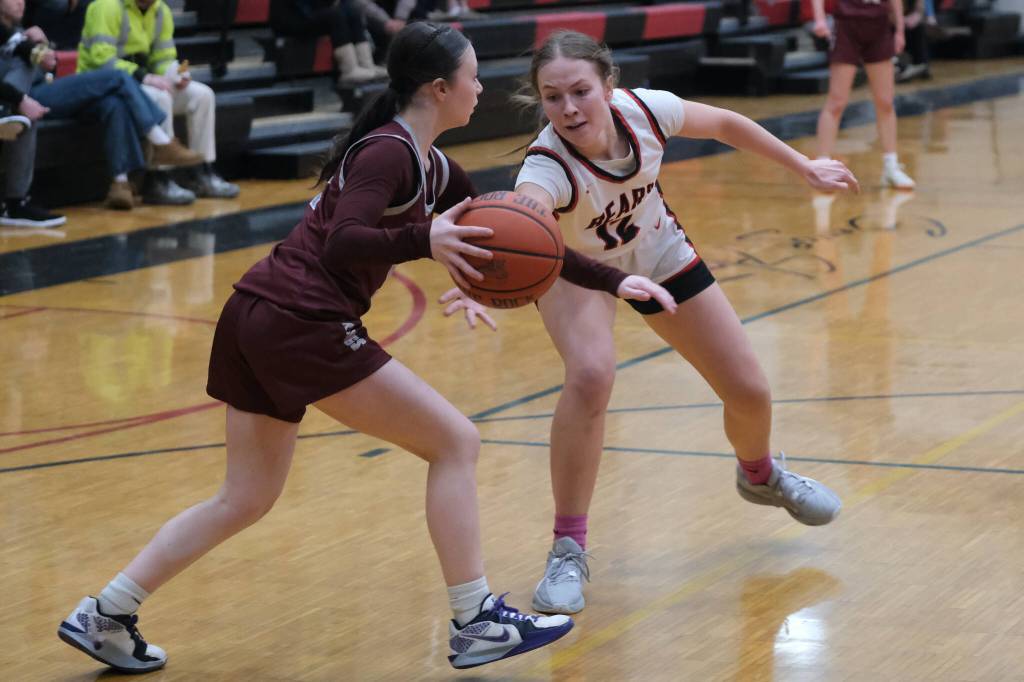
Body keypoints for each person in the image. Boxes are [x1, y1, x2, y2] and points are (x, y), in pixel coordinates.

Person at [57, 23, 676, 674]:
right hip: (300, 315)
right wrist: (424, 242)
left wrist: (614, 279)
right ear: (440, 90)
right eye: (470, 77)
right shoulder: (388, 153)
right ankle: (476, 621)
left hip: (256, 313)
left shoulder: (432, 165)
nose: (479, 87)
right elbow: (342, 242)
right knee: (456, 443)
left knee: (245, 497)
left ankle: (108, 611)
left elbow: (529, 243)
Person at [441, 30, 858, 616]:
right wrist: (487, 276)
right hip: (575, 269)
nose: (568, 108)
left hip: (656, 251)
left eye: (581, 91)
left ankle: (760, 475)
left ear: (608, 85)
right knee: (590, 376)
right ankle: (568, 547)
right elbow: (526, 212)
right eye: (553, 96)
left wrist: (802, 164)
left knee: (749, 390)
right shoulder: (547, 167)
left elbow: (725, 124)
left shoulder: (646, 111)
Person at [0, 0, 199, 220]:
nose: (21, 2)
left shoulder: (23, 31)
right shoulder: (8, 38)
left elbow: (50, 68)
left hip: (42, 92)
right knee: (119, 78)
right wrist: (19, 94)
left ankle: (121, 184)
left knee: (113, 102)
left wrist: (44, 47)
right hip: (21, 98)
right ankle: (160, 141)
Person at [77, 0, 239, 201]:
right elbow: (102, 60)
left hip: (142, 81)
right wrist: (146, 77)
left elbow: (163, 58)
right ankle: (158, 178)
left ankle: (201, 171)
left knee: (203, 94)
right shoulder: (107, 6)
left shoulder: (161, 10)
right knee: (160, 98)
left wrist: (176, 74)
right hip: (105, 86)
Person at [812, 0, 915, 189]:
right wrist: (819, 19)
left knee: (885, 101)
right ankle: (822, 167)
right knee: (837, 101)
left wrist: (899, 29)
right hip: (847, 23)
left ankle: (891, 166)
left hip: (879, 23)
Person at [270, 0, 385, 86]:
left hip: (309, 13)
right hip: (292, 19)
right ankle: (349, 70)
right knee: (335, 15)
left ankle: (366, 65)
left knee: (353, 11)